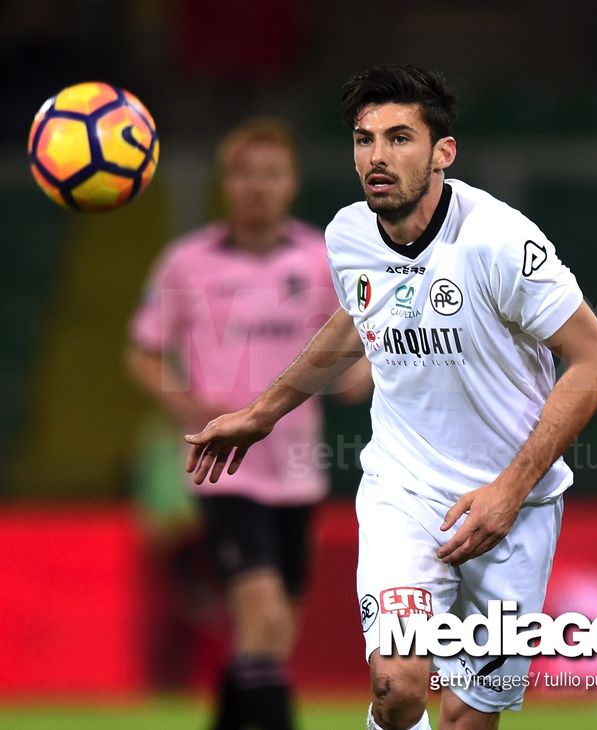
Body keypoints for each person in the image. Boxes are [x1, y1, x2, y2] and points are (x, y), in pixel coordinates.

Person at [183, 65, 597, 730]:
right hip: (404, 494)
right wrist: (262, 413)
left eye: (398, 138)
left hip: (517, 508)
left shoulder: (500, 242)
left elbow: (595, 361)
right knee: (396, 686)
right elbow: (357, 315)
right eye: (364, 140)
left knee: (468, 719)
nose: (377, 158)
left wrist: (508, 490)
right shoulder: (347, 235)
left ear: (443, 153)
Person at [127, 117, 371, 730]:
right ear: (225, 182)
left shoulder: (321, 258)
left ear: (291, 183)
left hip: (297, 467)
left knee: (271, 636)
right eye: (244, 173)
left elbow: (359, 335)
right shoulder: (186, 262)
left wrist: (362, 371)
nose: (256, 186)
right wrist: (188, 405)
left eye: (271, 173)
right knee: (263, 621)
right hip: (224, 470)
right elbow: (142, 349)